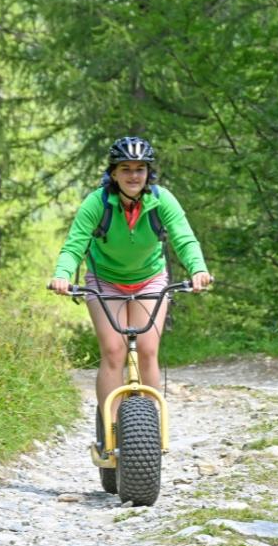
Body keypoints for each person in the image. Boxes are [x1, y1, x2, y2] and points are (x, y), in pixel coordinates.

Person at [49, 136, 212, 423]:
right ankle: (110, 429)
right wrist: (62, 275)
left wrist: (198, 269)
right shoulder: (97, 203)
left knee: (147, 350)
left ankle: (148, 427)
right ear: (113, 173)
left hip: (149, 279)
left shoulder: (162, 200)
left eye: (140, 169)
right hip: (105, 280)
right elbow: (75, 245)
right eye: (125, 169)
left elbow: (184, 238)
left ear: (149, 173)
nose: (133, 175)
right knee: (114, 351)